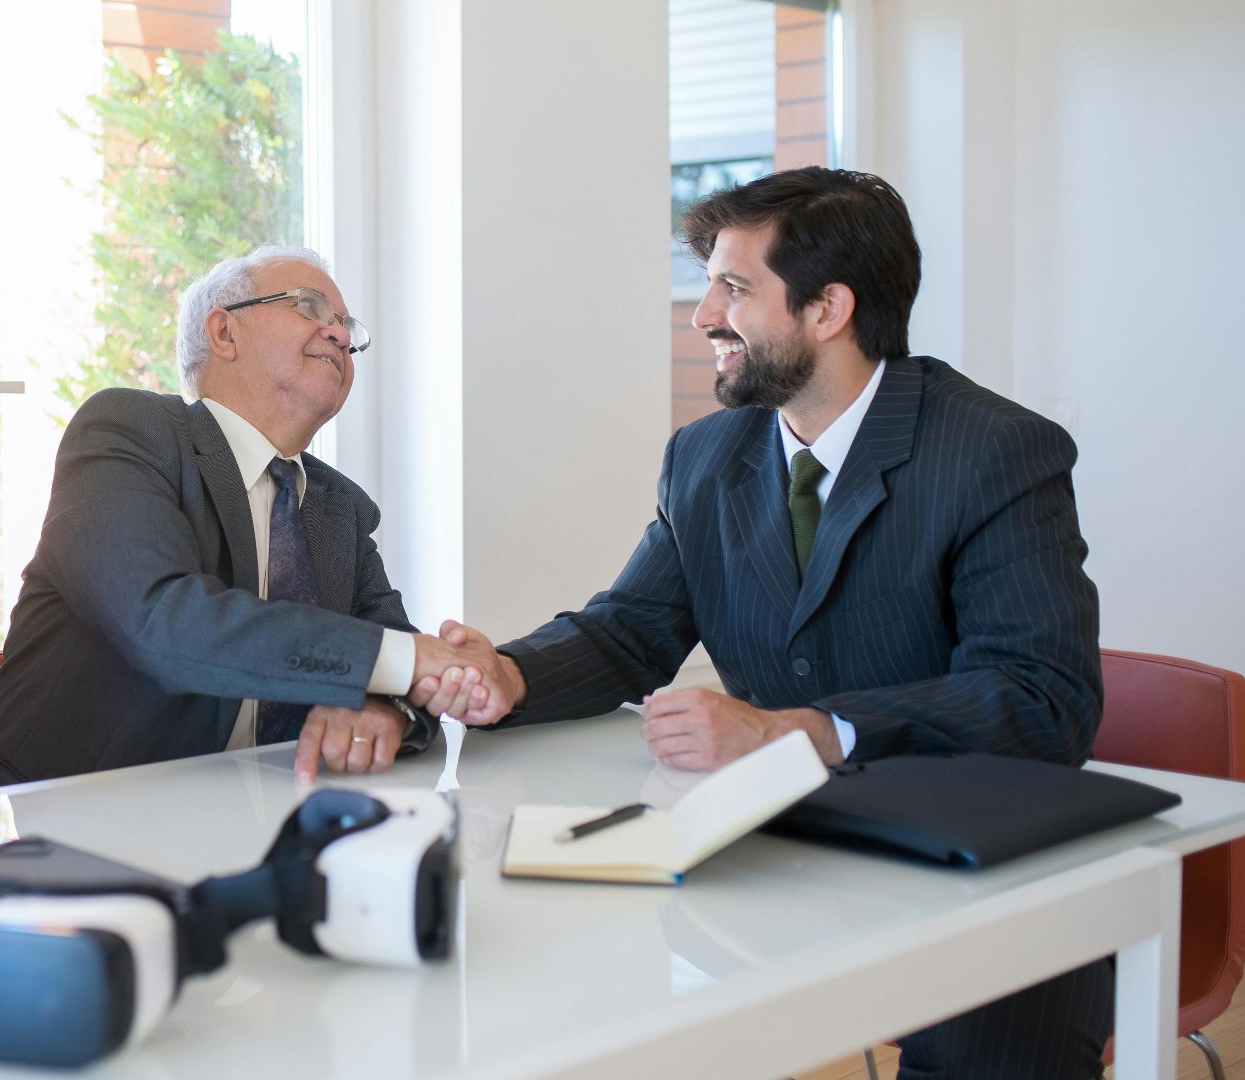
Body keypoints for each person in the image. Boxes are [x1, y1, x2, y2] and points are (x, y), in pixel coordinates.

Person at [418, 168, 1108, 1077]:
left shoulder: (994, 451)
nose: (703, 314)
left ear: (828, 309)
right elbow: (632, 629)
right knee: (580, 984)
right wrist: (511, 673)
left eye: (735, 288)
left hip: (979, 867)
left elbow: (1042, 699)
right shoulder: (704, 457)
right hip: (776, 850)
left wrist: (801, 731)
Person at [0, 246, 488, 785]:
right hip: (53, 821)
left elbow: (406, 668)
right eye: (309, 307)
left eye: (347, 327)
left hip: (270, 829)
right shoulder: (130, 431)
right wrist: (402, 662)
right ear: (224, 334)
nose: (339, 335)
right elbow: (163, 622)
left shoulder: (342, 507)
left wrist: (384, 709)